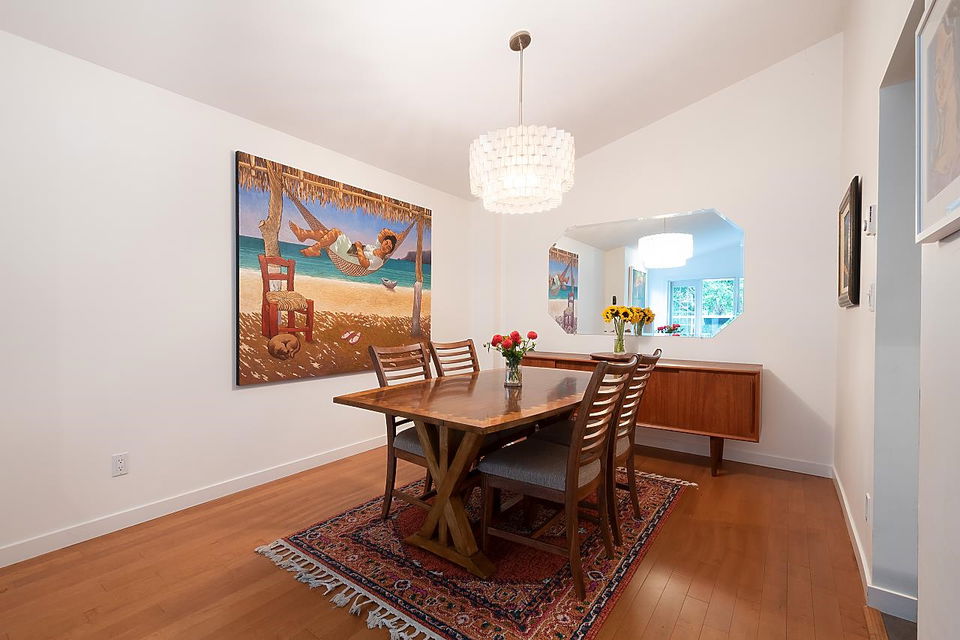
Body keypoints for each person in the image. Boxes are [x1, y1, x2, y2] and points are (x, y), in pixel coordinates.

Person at [289, 222, 398, 270]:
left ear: (389, 252)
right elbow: (382, 233)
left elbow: (364, 264)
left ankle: (315, 247)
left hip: (349, 258)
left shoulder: (378, 261)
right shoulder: (377, 247)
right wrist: (395, 236)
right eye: (386, 243)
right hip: (350, 250)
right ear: (383, 242)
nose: (386, 247)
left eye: (389, 247)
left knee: (335, 232)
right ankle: (304, 235)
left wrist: (359, 247)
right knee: (328, 234)